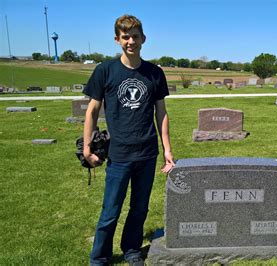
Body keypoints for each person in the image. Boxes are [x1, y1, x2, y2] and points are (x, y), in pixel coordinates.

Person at [83, 14, 175, 265]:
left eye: (135, 36)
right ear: (117, 39)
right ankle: (99, 258)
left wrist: (167, 149)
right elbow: (92, 111)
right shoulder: (105, 71)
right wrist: (87, 146)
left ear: (143, 38)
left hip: (147, 152)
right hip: (119, 154)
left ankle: (132, 249)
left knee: (139, 208)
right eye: (126, 37)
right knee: (110, 211)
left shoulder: (154, 73)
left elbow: (161, 112)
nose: (131, 41)